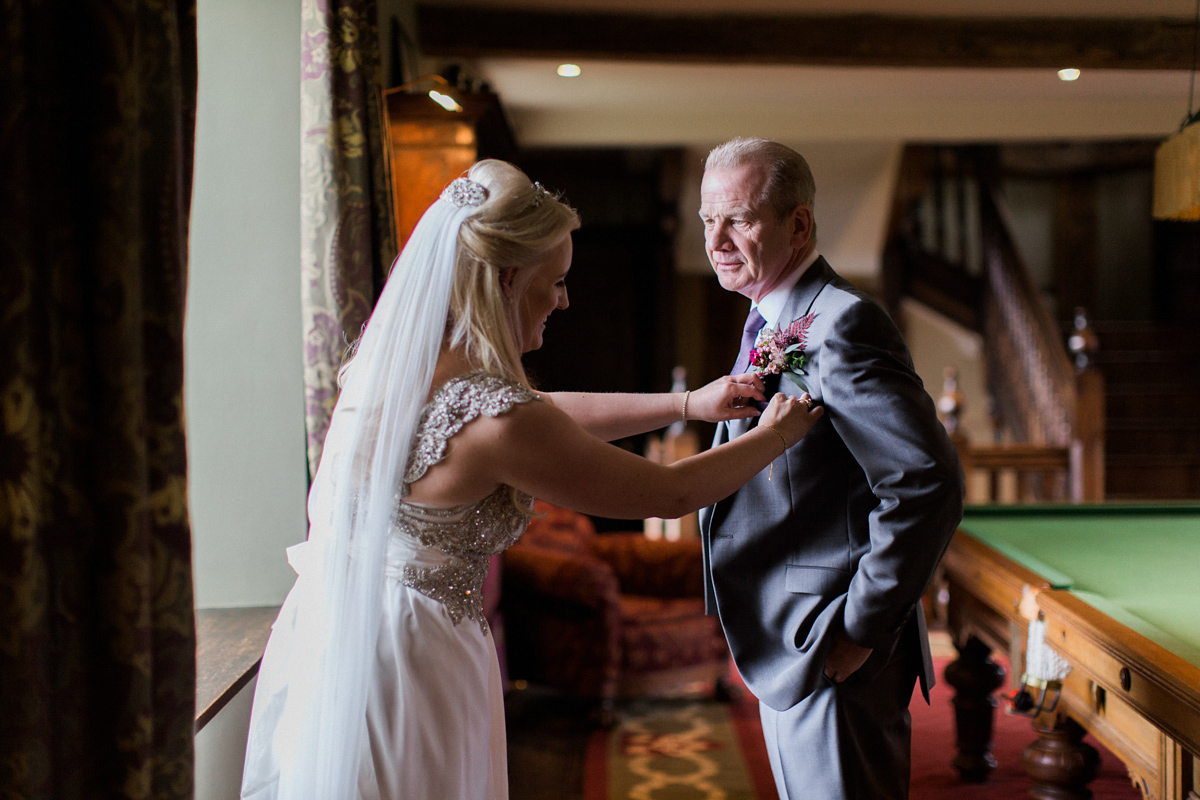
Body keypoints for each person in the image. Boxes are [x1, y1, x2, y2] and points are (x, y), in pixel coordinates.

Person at [240, 158, 823, 800]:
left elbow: (547, 411)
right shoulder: (496, 422)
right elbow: (669, 492)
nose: (565, 299)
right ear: (510, 279)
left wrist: (687, 404)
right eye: (558, 281)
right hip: (414, 658)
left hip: (334, 637)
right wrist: (776, 436)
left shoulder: (389, 374)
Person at [696, 138, 965, 800]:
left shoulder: (842, 325)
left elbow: (925, 483)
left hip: (832, 640)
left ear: (798, 224)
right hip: (786, 638)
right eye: (708, 220)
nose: (718, 239)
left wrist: (859, 628)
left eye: (739, 218)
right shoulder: (772, 320)